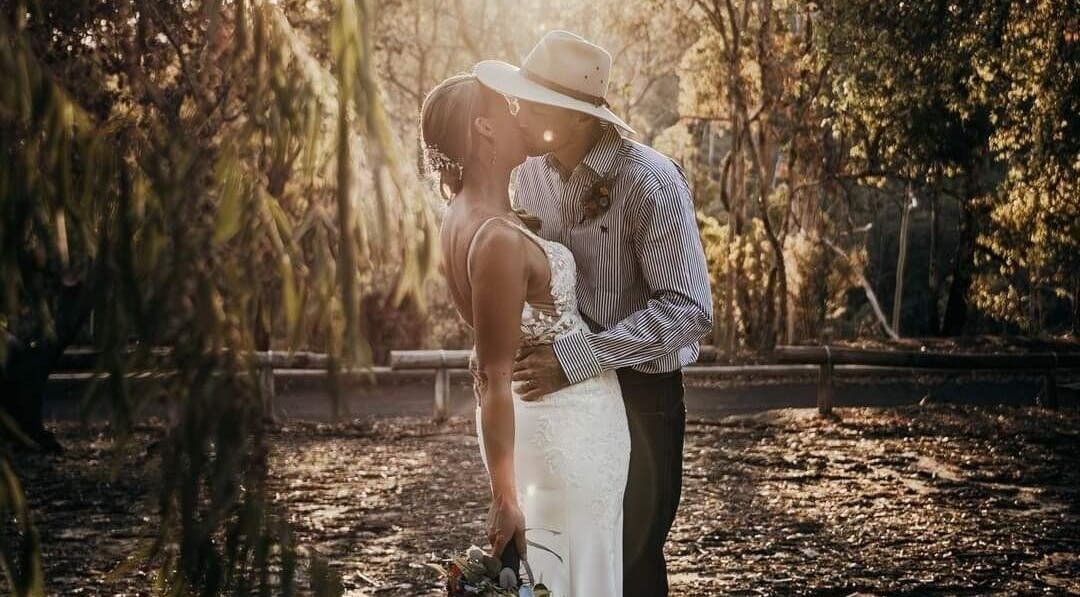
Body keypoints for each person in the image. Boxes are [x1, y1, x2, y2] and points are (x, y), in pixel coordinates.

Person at [475, 30, 714, 597]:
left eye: (533, 103)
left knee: (630, 560)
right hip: (556, 408)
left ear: (577, 117)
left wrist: (581, 357)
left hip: (641, 398)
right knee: (559, 552)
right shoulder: (527, 176)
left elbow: (690, 309)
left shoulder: (649, 181)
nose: (519, 113)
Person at [421, 65, 631, 595]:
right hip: (562, 437)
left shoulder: (464, 216)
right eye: (511, 107)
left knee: (566, 569)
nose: (524, 115)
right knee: (570, 571)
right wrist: (505, 498)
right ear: (485, 130)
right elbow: (492, 374)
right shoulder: (495, 237)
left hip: (565, 431)